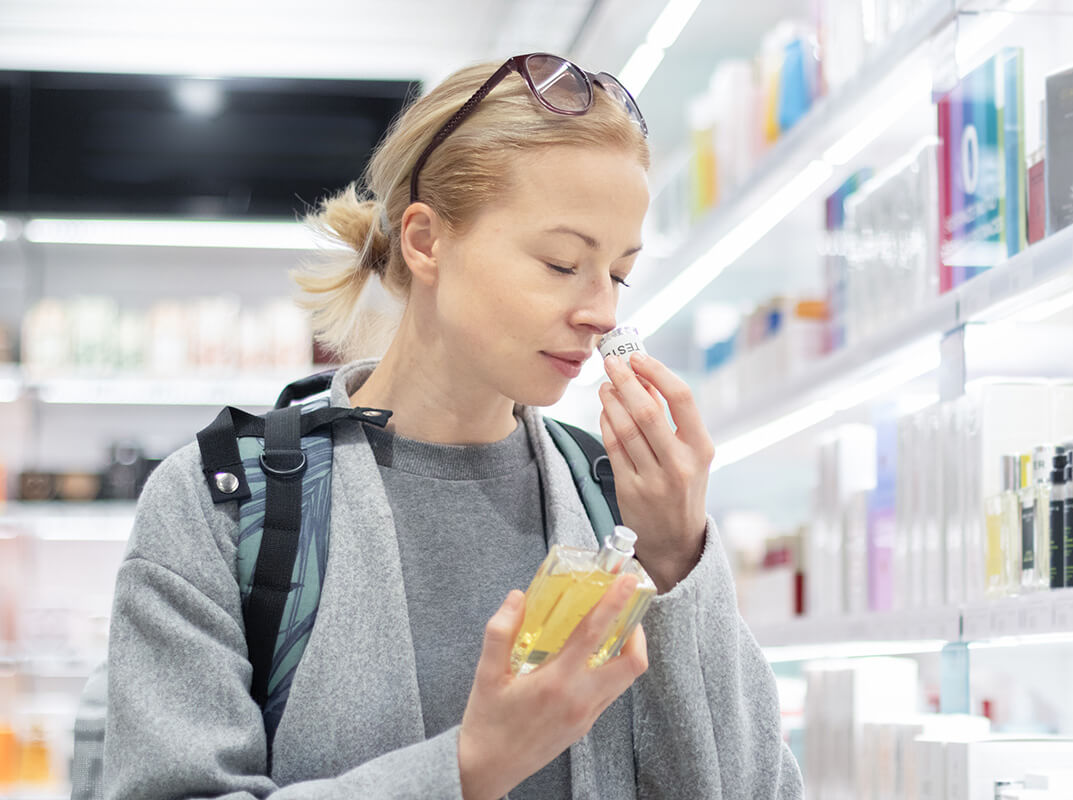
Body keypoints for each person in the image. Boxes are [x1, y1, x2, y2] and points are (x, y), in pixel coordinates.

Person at [103, 53, 804, 800]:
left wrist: (675, 557)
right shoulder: (221, 502)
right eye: (563, 263)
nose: (602, 311)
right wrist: (470, 767)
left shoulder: (618, 502)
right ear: (426, 241)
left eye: (620, 273)